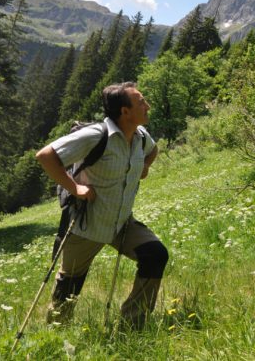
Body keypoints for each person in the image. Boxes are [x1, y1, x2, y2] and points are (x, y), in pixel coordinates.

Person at [35, 82, 168, 328]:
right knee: (70, 283)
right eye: (140, 101)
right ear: (125, 111)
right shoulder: (96, 135)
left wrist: (144, 167)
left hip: (122, 223)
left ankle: (132, 324)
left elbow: (153, 150)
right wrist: (76, 188)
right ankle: (54, 332)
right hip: (87, 224)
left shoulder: (139, 136)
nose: (147, 105)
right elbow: (46, 156)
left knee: (155, 255)